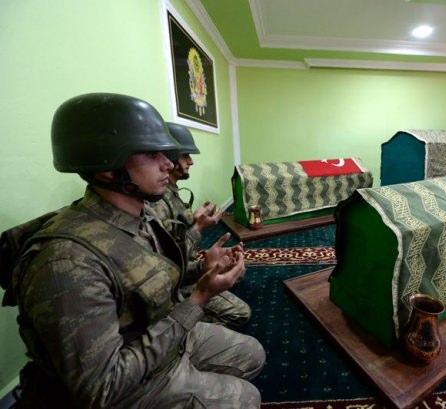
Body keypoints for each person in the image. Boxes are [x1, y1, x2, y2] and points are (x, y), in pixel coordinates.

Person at [10, 93, 265, 408]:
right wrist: (199, 298)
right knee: (248, 399)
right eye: (152, 154)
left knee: (253, 354)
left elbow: (152, 281)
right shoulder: (66, 262)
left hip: (161, 336)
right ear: (108, 168)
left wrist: (204, 270)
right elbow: (102, 389)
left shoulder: (140, 216)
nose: (168, 163)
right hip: (131, 384)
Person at [149, 122, 250, 328]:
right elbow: (169, 263)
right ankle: (182, 328)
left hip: (184, 267)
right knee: (240, 313)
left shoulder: (170, 192)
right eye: (185, 156)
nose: (191, 162)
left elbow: (176, 239)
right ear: (169, 158)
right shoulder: (156, 202)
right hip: (174, 281)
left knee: (237, 270)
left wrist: (195, 222)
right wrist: (198, 229)